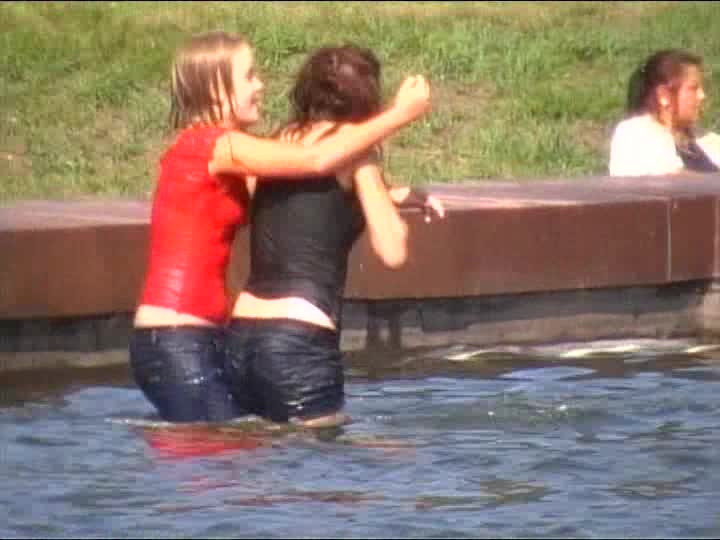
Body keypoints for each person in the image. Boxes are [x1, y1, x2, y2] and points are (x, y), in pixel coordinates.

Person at [129, 32, 432, 424]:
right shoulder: (221, 147)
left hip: (214, 336)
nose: (260, 85)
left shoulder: (222, 150)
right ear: (216, 90)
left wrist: (386, 194)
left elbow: (299, 198)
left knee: (243, 448)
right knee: (224, 456)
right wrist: (400, 114)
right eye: (249, 76)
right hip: (179, 338)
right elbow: (317, 160)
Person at [223, 44, 445, 429]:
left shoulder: (282, 140)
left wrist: (387, 193)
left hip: (242, 337)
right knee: (325, 461)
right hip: (300, 340)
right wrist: (383, 201)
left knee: (259, 461)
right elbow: (392, 250)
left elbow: (303, 201)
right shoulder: (357, 154)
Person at [609, 49, 720, 176]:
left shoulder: (706, 140)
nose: (702, 96)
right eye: (693, 88)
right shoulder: (635, 133)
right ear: (664, 95)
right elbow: (669, 179)